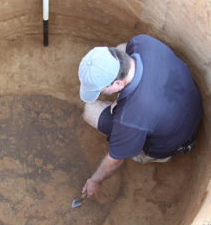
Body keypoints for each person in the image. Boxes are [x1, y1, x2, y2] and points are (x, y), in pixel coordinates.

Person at [78, 34, 203, 198]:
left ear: (117, 83)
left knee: (90, 111)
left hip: (170, 144)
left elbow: (116, 159)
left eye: (101, 90)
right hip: (184, 104)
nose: (100, 93)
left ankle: (148, 156)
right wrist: (122, 99)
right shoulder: (142, 42)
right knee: (123, 46)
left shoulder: (130, 118)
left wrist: (95, 180)